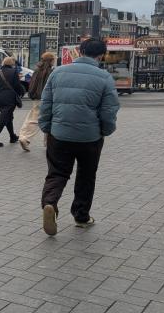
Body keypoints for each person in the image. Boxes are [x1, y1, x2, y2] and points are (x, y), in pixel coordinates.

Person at [38, 39, 119, 236]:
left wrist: (47, 127)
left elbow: (46, 103)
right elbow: (109, 110)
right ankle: (81, 216)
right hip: (90, 138)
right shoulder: (104, 77)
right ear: (101, 55)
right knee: (86, 176)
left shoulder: (57, 72)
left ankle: (50, 204)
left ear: (80, 51)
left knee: (57, 173)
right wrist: (105, 131)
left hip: (59, 134)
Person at [18, 52, 56, 152]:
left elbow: (32, 85)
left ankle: (46, 142)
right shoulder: (50, 72)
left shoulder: (37, 70)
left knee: (34, 118)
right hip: (46, 99)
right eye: (53, 59)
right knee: (40, 119)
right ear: (50, 60)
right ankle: (25, 138)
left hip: (36, 98)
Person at [0, 56, 24, 147]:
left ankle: (12, 136)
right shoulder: (13, 72)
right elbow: (17, 86)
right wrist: (21, 93)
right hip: (9, 99)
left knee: (8, 117)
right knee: (3, 118)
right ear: (11, 63)